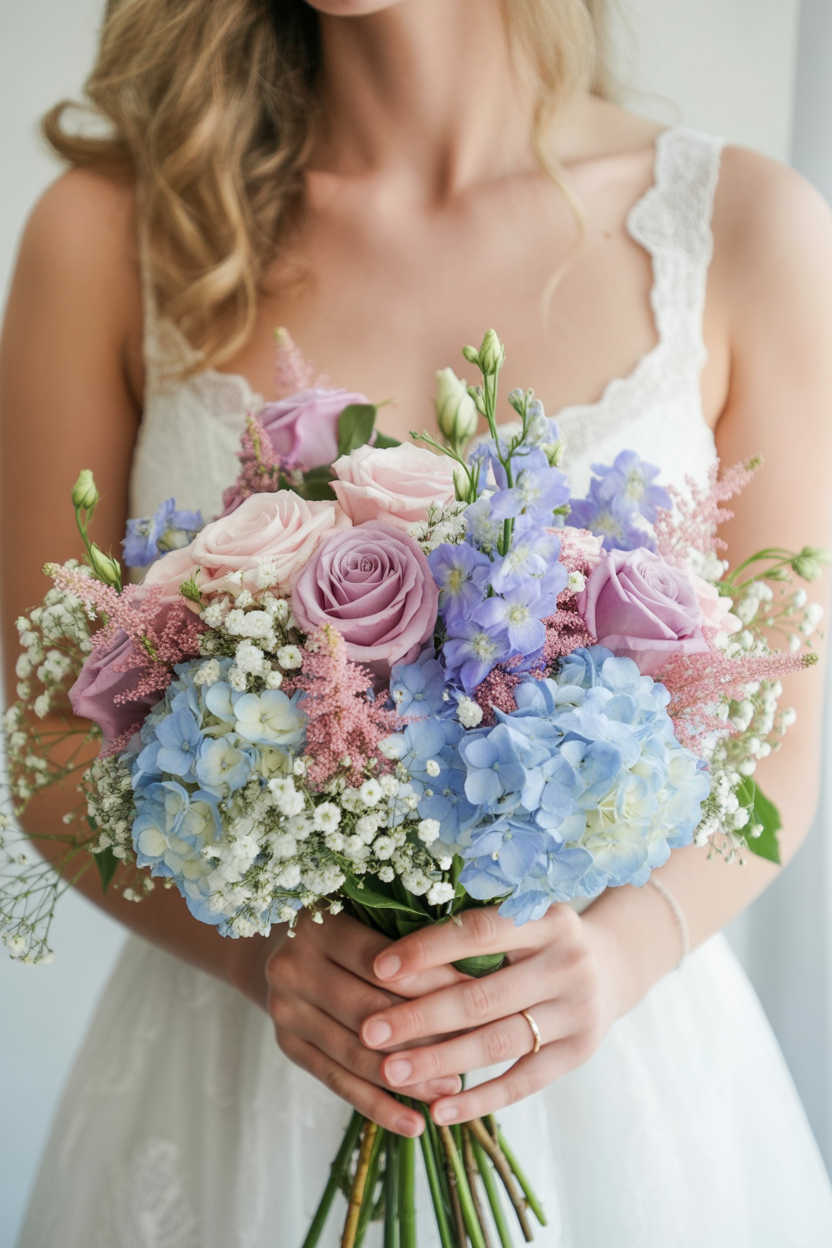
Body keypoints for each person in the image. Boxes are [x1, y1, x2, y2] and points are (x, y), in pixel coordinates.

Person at [3, 1, 832, 1244]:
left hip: (617, 1076)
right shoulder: (115, 227)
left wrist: (620, 956)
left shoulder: (747, 229)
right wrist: (262, 960)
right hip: (235, 1075)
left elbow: (775, 747)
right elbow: (50, 741)